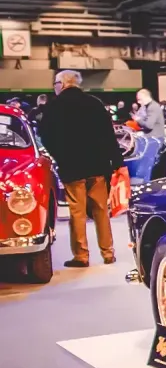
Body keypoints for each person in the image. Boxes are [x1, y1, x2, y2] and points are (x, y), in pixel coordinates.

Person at [38, 70, 122, 267]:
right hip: (98, 166)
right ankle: (108, 253)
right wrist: (117, 162)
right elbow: (109, 135)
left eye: (56, 83)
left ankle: (81, 256)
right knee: (101, 210)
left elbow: (46, 136)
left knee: (77, 213)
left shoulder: (54, 106)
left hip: (72, 167)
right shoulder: (95, 103)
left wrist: (60, 156)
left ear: (62, 84)